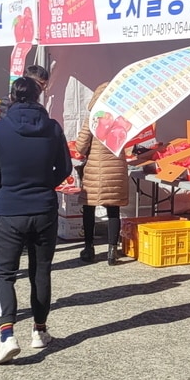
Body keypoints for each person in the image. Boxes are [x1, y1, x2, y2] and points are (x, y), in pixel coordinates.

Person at [0, 76, 72, 365]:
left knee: (4, 273)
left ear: (11, 97)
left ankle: (6, 334)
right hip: (44, 207)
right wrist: (45, 183)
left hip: (9, 208)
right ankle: (39, 330)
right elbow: (65, 167)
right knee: (40, 272)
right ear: (38, 96)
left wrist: (3, 190)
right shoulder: (53, 127)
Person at [75, 82, 130, 265]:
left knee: (89, 207)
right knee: (113, 209)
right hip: (116, 167)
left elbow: (81, 146)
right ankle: (112, 251)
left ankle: (89, 248)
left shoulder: (93, 118)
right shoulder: (123, 118)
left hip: (96, 169)